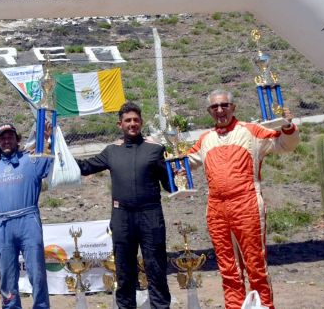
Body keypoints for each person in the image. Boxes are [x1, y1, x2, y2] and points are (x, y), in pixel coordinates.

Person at [186, 90, 299, 309]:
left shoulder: (251, 131)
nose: (220, 110)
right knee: (228, 269)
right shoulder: (205, 139)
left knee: (255, 267)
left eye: (224, 105)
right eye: (215, 107)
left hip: (246, 204)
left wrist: (287, 127)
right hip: (216, 208)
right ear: (209, 111)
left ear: (233, 107)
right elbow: (183, 164)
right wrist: (157, 152)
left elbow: (286, 145)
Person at [76, 101, 172, 309]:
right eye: (127, 120)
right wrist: (56, 153)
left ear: (141, 122)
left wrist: (180, 175)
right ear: (120, 124)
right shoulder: (111, 151)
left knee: (155, 268)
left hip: (151, 215)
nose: (132, 124)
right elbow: (85, 167)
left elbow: (170, 185)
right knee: (124, 271)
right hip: (122, 217)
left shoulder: (155, 149)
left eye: (136, 120)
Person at [0, 123, 52, 309]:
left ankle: (41, 306)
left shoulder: (31, 160)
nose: (6, 140)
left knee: (36, 272)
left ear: (18, 139)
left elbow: (52, 160)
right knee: (7, 274)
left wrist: (49, 139)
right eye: (2, 138)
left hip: (28, 220)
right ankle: (10, 306)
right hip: (3, 224)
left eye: (10, 136)